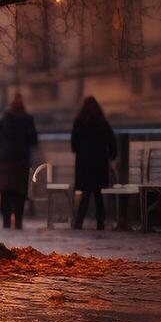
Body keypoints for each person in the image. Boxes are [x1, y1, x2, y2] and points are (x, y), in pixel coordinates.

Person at [0, 95, 40, 229]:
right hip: (21, 161)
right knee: (20, 192)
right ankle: (18, 222)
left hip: (4, 161)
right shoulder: (27, 119)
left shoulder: (2, 121)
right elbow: (34, 140)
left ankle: (6, 222)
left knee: (5, 192)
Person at [69, 96, 117, 230]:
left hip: (84, 164)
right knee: (98, 195)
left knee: (85, 195)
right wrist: (111, 157)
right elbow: (112, 141)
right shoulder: (102, 122)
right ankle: (100, 224)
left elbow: (73, 145)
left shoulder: (79, 121)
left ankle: (78, 223)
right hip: (99, 163)